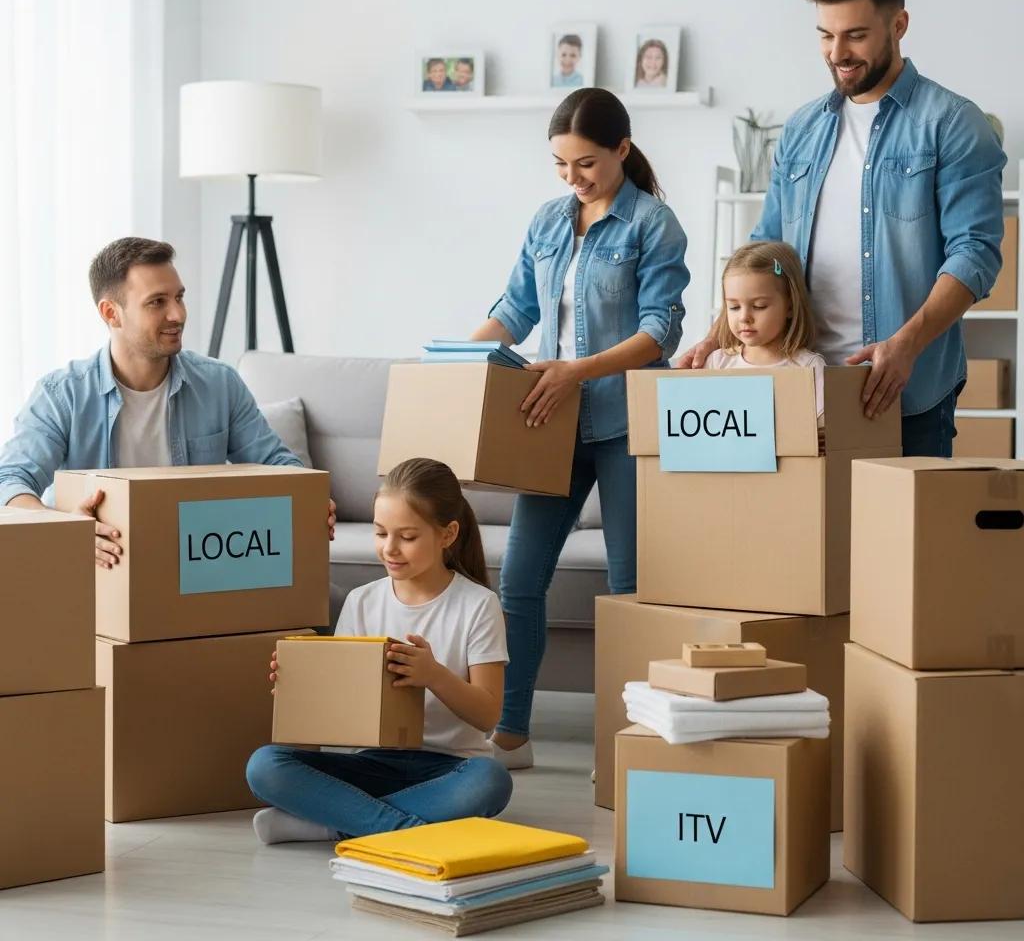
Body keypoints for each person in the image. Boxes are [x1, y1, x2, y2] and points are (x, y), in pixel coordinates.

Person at [676, 0, 1005, 457]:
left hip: (901, 386)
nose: (837, 52)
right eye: (826, 36)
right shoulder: (803, 129)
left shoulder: (953, 123)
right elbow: (767, 246)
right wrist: (720, 334)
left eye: (855, 35)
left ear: (899, 24)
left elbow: (976, 252)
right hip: (795, 386)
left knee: (896, 538)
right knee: (802, 538)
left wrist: (906, 345)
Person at [472, 88, 689, 768]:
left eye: (587, 164)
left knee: (627, 592)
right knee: (519, 581)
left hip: (626, 422)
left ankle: (626, 740)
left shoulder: (654, 225)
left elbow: (661, 331)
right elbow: (515, 307)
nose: (573, 178)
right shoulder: (547, 220)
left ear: (622, 149)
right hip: (549, 423)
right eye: (562, 165)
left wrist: (578, 369)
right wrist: (456, 360)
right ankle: (511, 732)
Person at [0, 237, 336, 567]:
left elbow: (275, 462)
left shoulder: (219, 383)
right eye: (157, 302)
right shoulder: (62, 394)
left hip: (197, 562)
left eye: (179, 297)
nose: (177, 314)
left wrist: (311, 497)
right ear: (111, 313)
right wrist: (69, 529)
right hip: (102, 569)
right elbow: (10, 481)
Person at [246, 458, 512, 844]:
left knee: (492, 782)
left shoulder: (478, 605)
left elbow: (488, 714)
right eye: (381, 533)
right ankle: (396, 830)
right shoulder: (361, 601)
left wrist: (433, 675)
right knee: (265, 765)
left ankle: (333, 823)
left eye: (407, 536)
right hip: (370, 762)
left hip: (451, 767)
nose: (390, 549)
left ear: (448, 534)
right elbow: (339, 712)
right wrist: (300, 687)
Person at [707, 240, 826, 421]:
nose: (744, 317)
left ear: (790, 306)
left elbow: (821, 434)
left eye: (759, 306)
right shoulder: (717, 363)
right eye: (734, 307)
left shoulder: (809, 367)